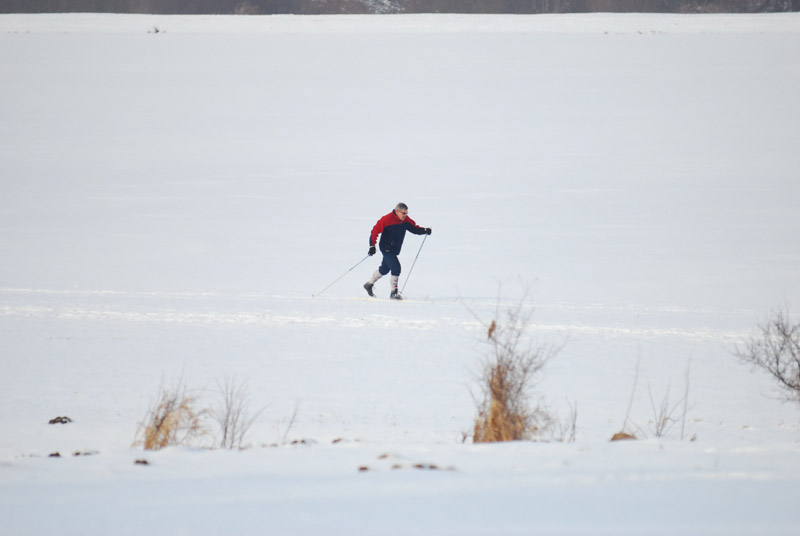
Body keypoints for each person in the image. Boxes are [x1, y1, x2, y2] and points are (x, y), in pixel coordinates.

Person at [364, 202, 431, 300]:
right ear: (397, 211)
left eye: (406, 213)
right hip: (386, 247)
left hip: (395, 249)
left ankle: (369, 284)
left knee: (385, 269)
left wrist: (424, 230)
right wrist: (372, 245)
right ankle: (393, 293)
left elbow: (414, 229)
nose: (405, 215)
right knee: (396, 268)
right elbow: (374, 231)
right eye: (403, 213)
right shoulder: (386, 219)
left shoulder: (406, 220)